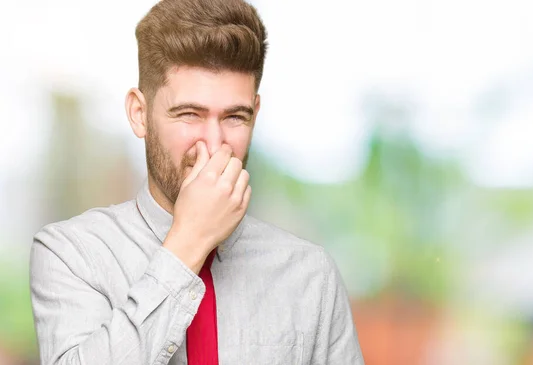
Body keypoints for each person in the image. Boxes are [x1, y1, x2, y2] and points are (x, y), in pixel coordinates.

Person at [29, 0, 365, 364]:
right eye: (189, 114)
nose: (213, 143)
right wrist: (189, 242)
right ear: (140, 115)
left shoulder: (311, 276)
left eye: (235, 117)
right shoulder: (71, 255)